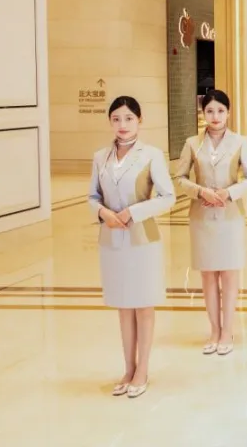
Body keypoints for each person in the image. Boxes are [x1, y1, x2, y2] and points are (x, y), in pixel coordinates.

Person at [88, 96, 176, 398]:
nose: (122, 125)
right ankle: (128, 369)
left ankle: (143, 370)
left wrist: (132, 213)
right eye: (116, 119)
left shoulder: (151, 155)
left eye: (128, 118)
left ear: (140, 120)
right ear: (110, 122)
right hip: (111, 241)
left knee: (143, 304)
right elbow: (92, 197)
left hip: (143, 240)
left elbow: (168, 197)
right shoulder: (100, 157)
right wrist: (103, 213)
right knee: (123, 305)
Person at [173, 89, 247, 356]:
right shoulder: (192, 143)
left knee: (229, 275)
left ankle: (227, 330)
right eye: (210, 111)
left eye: (220, 111)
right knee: (208, 275)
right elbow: (179, 178)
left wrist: (229, 192)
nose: (215, 116)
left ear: (228, 113)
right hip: (201, 217)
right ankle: (214, 330)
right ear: (203, 113)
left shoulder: (240, 142)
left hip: (229, 216)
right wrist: (200, 191)